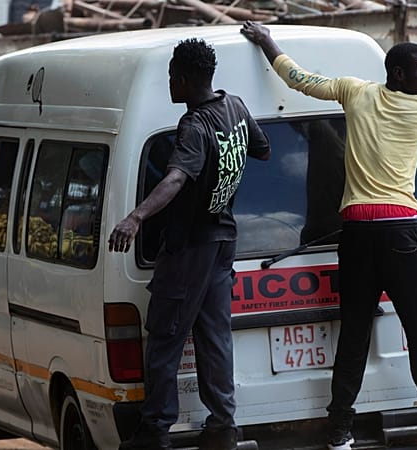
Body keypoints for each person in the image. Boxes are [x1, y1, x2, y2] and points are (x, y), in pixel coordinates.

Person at [240, 22, 417, 450]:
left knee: (354, 334)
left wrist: (267, 41)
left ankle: (340, 429)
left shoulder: (354, 92)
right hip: (402, 233)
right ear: (399, 74)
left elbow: (298, 78)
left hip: (357, 234)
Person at [109, 38, 270, 450]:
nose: (169, 85)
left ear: (182, 79)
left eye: (170, 78)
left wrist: (135, 217)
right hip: (223, 242)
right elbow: (263, 149)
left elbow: (176, 178)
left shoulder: (195, 126)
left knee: (165, 336)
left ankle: (155, 430)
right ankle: (222, 427)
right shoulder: (233, 105)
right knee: (215, 337)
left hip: (191, 248)